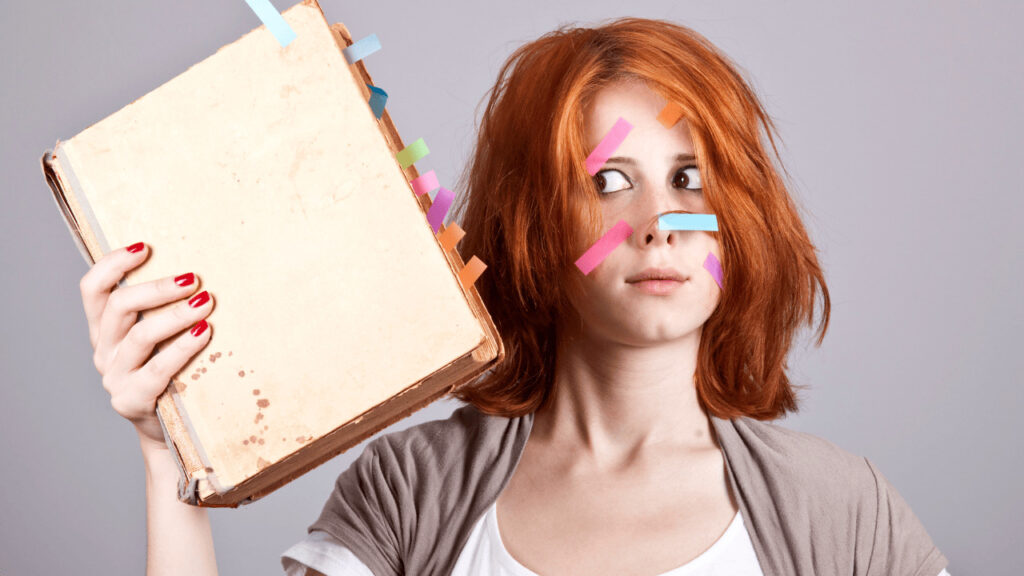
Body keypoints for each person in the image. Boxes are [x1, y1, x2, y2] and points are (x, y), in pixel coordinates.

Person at [78, 16, 950, 576]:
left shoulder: (843, 511)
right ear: (538, 220)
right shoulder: (412, 490)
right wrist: (171, 459)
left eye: (689, 178)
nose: (659, 223)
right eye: (609, 180)